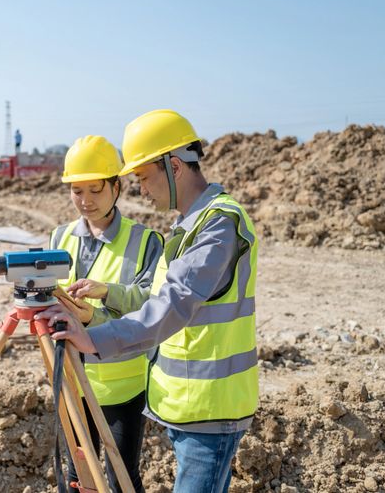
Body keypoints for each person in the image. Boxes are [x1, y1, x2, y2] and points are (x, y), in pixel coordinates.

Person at [39, 110, 259, 493]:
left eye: (142, 177)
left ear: (173, 167)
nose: (140, 188)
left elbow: (172, 304)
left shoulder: (218, 224)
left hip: (210, 409)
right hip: (185, 407)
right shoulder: (189, 225)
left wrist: (96, 336)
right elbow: (157, 301)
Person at [51, 135, 163, 493]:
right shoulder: (60, 237)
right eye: (77, 191)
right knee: (77, 476)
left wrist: (106, 294)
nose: (85, 202)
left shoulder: (146, 242)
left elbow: (153, 305)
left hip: (123, 385)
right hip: (70, 378)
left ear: (117, 187)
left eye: (95, 190)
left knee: (122, 478)